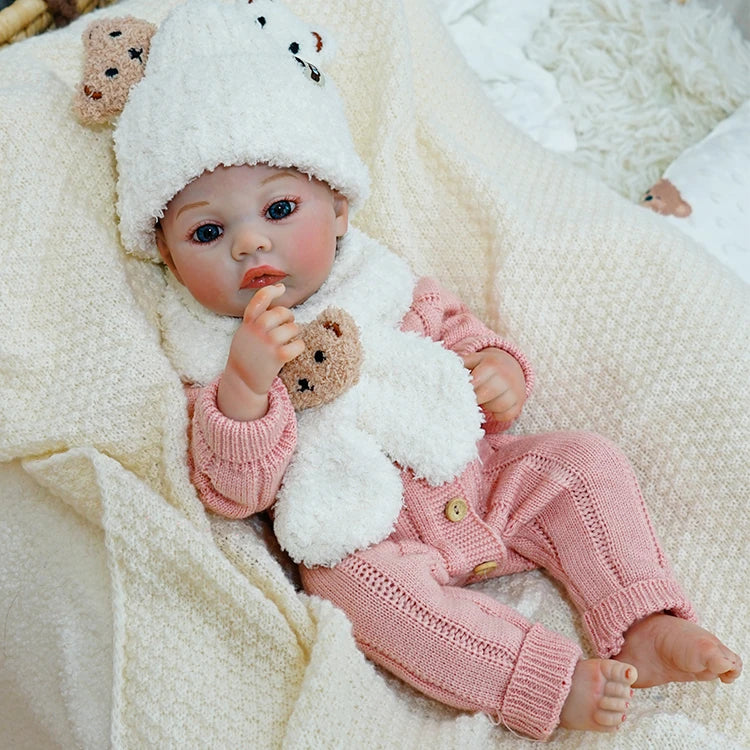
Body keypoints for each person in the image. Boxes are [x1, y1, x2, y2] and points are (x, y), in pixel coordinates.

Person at [112, 0, 742, 741]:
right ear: (167, 255)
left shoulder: (385, 284)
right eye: (208, 231)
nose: (251, 244)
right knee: (356, 595)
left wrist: (495, 370)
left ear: (339, 208)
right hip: (372, 543)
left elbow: (464, 337)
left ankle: (639, 617)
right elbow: (233, 489)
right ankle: (544, 678)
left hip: (485, 486)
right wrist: (247, 386)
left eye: (280, 207)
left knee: (583, 464)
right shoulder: (207, 351)